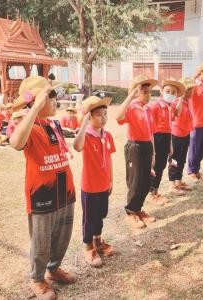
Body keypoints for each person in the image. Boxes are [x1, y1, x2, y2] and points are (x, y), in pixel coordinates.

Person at [9, 76, 77, 300]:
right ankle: (37, 279)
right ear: (36, 101)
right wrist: (35, 107)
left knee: (62, 235)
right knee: (42, 240)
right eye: (50, 97)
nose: (56, 101)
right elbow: (16, 143)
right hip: (42, 194)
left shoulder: (54, 124)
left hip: (64, 190)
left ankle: (54, 268)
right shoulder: (29, 126)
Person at [74, 95, 117, 268]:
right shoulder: (86, 135)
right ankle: (88, 247)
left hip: (104, 185)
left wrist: (111, 180)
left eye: (105, 114)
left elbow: (110, 159)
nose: (103, 117)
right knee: (89, 219)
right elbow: (77, 147)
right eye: (98, 114)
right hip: (90, 187)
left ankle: (98, 242)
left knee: (100, 215)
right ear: (89, 117)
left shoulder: (107, 135)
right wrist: (83, 124)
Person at [116, 75, 158, 229]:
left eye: (149, 92)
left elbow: (151, 133)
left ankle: (138, 209)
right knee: (135, 181)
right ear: (136, 92)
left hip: (147, 146)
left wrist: (153, 152)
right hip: (134, 146)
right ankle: (131, 212)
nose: (148, 95)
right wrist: (129, 97)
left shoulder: (148, 109)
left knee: (146, 181)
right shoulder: (132, 107)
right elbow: (118, 117)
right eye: (144, 92)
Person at [148, 79, 185, 203]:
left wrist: (170, 143)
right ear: (161, 92)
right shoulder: (156, 105)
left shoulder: (170, 106)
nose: (170, 93)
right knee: (155, 166)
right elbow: (148, 126)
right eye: (168, 91)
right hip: (156, 137)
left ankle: (156, 191)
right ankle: (151, 193)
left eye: (173, 92)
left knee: (162, 165)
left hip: (166, 137)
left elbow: (176, 115)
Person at [168, 77, 194, 194]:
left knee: (182, 159)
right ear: (185, 91)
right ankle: (172, 184)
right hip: (176, 135)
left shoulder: (187, 102)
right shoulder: (176, 101)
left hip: (185, 134)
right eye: (190, 89)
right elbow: (174, 116)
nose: (192, 92)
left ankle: (179, 181)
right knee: (174, 160)